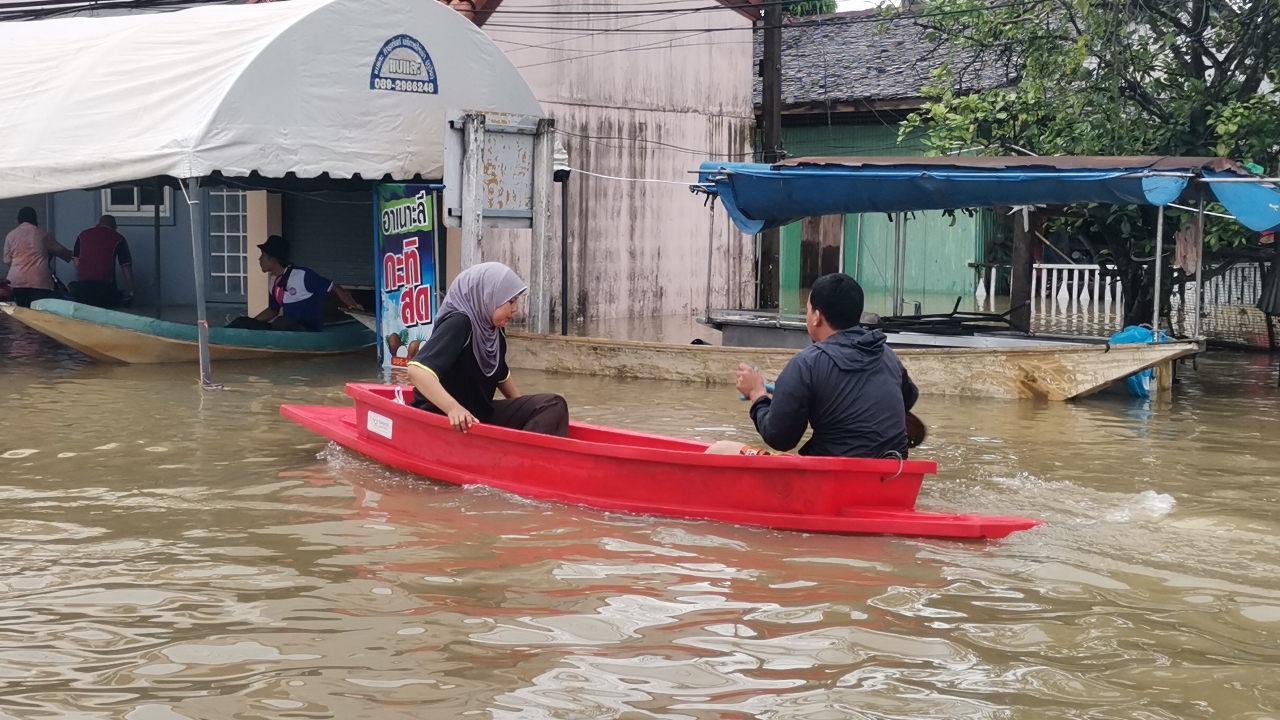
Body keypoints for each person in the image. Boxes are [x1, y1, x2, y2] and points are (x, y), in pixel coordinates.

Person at [716, 273, 919, 458]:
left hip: (832, 479)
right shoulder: (886, 355)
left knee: (720, 450)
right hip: (893, 475)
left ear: (816, 317)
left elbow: (780, 438)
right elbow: (906, 400)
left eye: (808, 309)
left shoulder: (806, 363)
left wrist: (757, 394)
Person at [406, 262, 569, 437]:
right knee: (553, 404)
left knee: (551, 405)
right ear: (487, 297)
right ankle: (523, 460)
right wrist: (453, 408)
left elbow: (501, 375)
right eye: (510, 301)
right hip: (443, 417)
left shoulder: (494, 330)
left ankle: (526, 459)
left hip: (477, 415)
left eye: (516, 301)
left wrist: (523, 410)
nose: (515, 309)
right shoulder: (460, 323)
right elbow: (417, 371)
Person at [227, 234, 361, 331]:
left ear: (273, 258)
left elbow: (336, 288)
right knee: (242, 322)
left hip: (307, 328)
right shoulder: (274, 282)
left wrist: (354, 307)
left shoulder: (303, 276)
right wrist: (250, 326)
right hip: (286, 326)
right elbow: (273, 310)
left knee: (282, 323)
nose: (259, 259)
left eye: (262, 255)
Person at [3, 207, 72, 307]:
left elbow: (7, 259)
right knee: (38, 314)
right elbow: (61, 251)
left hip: (16, 281)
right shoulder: (42, 234)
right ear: (34, 218)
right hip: (39, 282)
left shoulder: (11, 235)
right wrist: (72, 255)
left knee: (19, 314)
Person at [71, 215, 135, 308]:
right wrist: (131, 291)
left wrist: (83, 274)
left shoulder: (83, 235)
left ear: (97, 224)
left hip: (84, 285)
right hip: (106, 285)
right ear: (115, 227)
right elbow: (126, 267)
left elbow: (76, 260)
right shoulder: (118, 238)